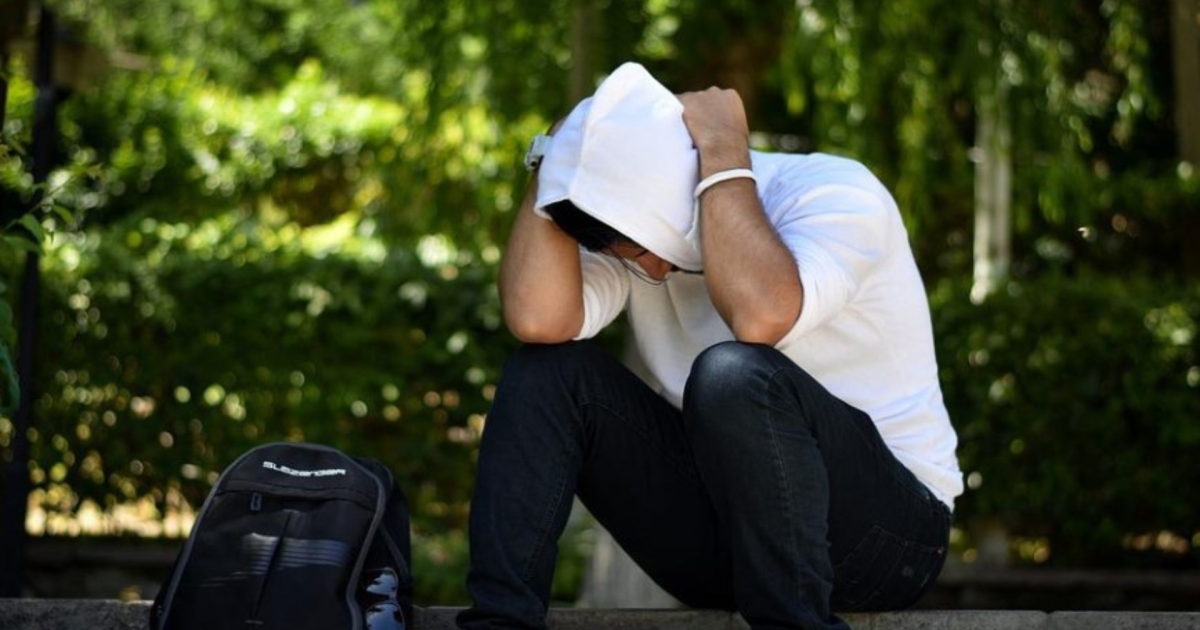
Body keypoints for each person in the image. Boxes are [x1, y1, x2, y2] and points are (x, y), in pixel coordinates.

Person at [456, 62, 962, 630]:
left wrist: (721, 150)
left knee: (733, 374)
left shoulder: (836, 192)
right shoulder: (636, 232)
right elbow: (537, 319)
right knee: (545, 373)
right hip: (730, 537)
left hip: (888, 536)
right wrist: (558, 161)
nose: (650, 268)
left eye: (646, 246)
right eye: (630, 252)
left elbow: (761, 317)